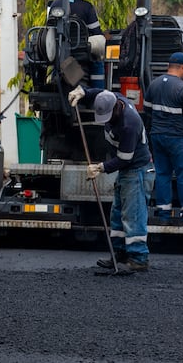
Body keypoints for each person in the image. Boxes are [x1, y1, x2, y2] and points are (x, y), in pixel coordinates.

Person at [68, 85, 151, 271]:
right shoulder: (111, 98)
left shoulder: (130, 124)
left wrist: (101, 167)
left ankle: (138, 258)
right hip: (126, 171)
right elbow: (99, 92)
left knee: (133, 215)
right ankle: (119, 254)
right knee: (117, 214)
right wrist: (83, 92)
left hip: (136, 169)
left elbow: (124, 158)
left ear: (117, 108)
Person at [146, 52, 183, 225]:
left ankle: (163, 215)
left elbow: (148, 110)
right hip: (177, 137)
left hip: (157, 136)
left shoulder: (154, 84)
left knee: (162, 174)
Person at [49, 0, 105, 86]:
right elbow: (96, 32)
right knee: (98, 60)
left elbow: (49, 29)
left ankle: (54, 80)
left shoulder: (54, 5)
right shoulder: (87, 7)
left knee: (57, 64)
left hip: (58, 51)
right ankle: (97, 91)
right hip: (81, 52)